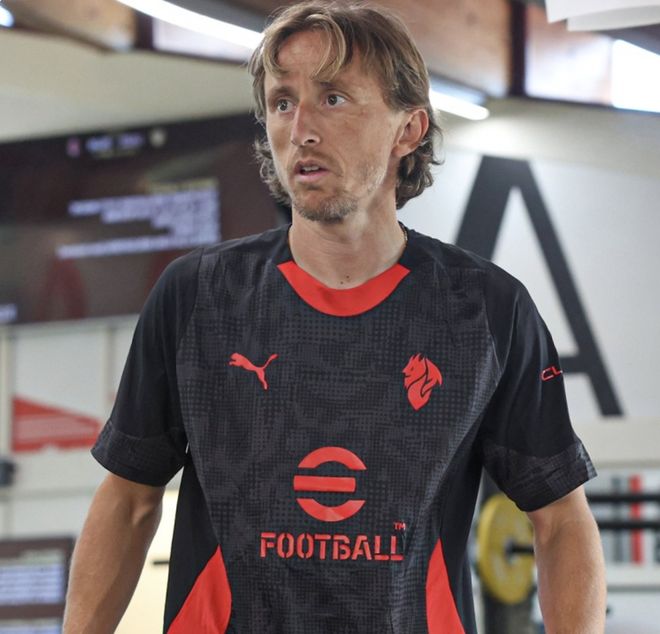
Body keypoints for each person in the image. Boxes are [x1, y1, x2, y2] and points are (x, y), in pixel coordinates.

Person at [63, 2, 606, 632]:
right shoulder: (197, 295)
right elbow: (129, 499)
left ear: (408, 130)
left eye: (334, 98)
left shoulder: (486, 309)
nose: (301, 130)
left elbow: (560, 517)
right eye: (282, 102)